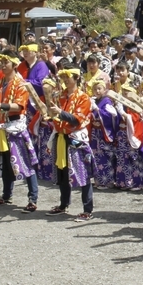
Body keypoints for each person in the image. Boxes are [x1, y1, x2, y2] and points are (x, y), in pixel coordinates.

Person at [0, 50, 40, 212]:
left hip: (15, 126)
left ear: (14, 64)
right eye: (1, 62)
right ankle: (6, 194)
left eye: (6, 62)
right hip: (1, 126)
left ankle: (33, 198)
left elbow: (19, 106)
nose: (3, 65)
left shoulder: (20, 84)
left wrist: (1, 106)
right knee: (5, 162)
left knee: (24, 162)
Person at [45, 66, 94, 219]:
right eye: (64, 77)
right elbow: (54, 114)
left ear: (77, 78)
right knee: (63, 173)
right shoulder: (60, 95)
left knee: (83, 174)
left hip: (76, 139)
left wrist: (59, 112)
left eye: (68, 76)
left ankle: (87, 209)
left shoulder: (83, 97)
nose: (65, 80)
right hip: (61, 137)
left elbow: (76, 120)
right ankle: (63, 204)